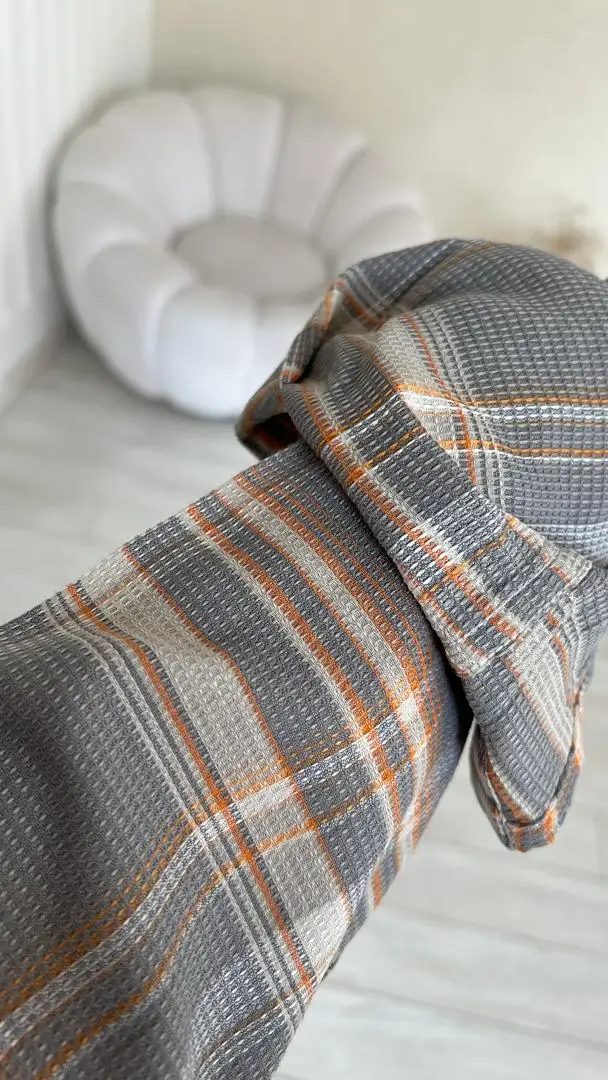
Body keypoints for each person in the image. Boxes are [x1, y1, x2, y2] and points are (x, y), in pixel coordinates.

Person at [1, 240, 607, 1079]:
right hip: (346, 754)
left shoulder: (530, 290)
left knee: (88, 708)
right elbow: (527, 798)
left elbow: (352, 310)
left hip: (89, 696)